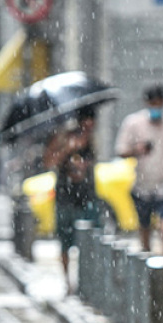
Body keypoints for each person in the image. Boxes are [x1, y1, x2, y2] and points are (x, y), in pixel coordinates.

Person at [116, 84, 163, 257]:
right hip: (142, 185)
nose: (156, 108)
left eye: (159, 103)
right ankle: (146, 260)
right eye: (152, 104)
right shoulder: (133, 123)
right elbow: (121, 150)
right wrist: (137, 150)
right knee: (144, 227)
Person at [43, 109, 100, 292]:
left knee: (89, 240)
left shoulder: (92, 140)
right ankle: (68, 281)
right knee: (65, 240)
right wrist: (68, 149)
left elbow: (91, 164)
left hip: (87, 195)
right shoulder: (62, 137)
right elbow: (49, 161)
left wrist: (84, 165)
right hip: (65, 196)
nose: (89, 127)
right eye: (86, 123)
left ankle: (87, 281)